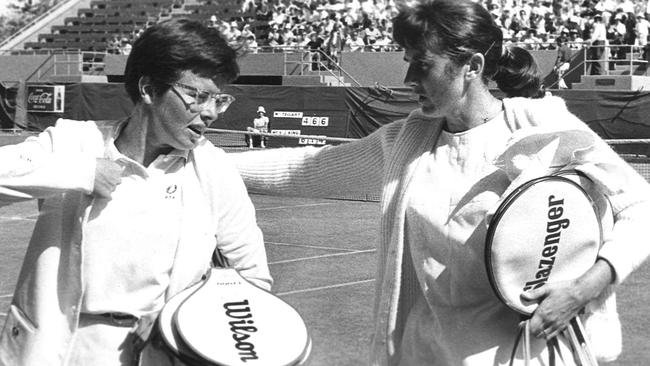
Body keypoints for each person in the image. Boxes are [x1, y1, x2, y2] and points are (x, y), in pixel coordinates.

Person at [231, 0, 650, 365]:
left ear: (473, 67)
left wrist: (586, 286)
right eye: (408, 61)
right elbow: (303, 167)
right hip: (425, 353)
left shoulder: (543, 129)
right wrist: (208, 161)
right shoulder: (406, 143)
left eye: (423, 63)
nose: (410, 76)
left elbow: (640, 206)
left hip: (526, 353)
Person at [0, 19, 272, 366]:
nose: (210, 112)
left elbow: (252, 279)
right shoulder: (73, 141)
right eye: (197, 95)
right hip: (50, 349)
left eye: (219, 99)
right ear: (148, 89)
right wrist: (82, 172)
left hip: (160, 354)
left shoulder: (214, 170)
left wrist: (184, 324)